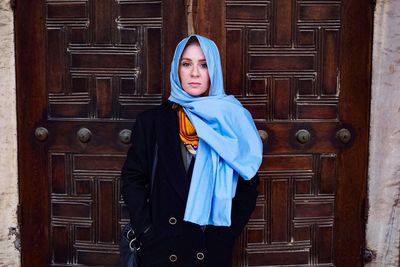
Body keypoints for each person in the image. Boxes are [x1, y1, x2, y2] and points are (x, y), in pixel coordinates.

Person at [121, 34, 263, 267]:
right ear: (176, 70)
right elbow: (133, 179)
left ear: (213, 70)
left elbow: (248, 181)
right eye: (186, 64)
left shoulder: (232, 120)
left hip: (210, 247)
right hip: (162, 248)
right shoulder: (152, 122)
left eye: (204, 64)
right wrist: (146, 231)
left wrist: (226, 234)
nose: (195, 73)